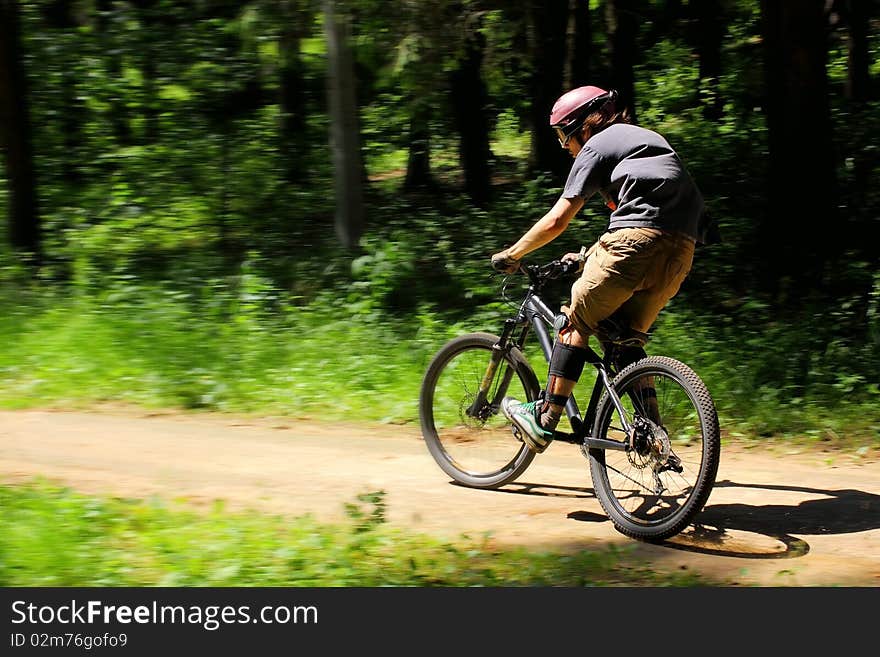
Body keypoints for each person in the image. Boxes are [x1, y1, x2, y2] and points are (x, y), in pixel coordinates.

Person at [490, 85, 716, 454]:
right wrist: (589, 255)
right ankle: (652, 437)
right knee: (625, 341)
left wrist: (513, 253)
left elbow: (559, 219)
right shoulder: (649, 141)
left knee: (575, 322)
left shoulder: (598, 144)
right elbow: (650, 225)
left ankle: (544, 419)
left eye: (564, 134)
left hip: (635, 246)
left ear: (582, 126)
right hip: (681, 253)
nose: (564, 146)